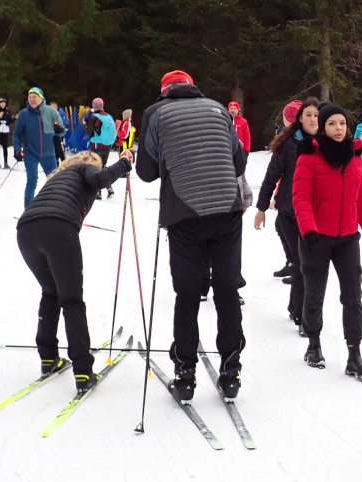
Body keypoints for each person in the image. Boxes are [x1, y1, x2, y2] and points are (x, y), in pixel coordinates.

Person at [136, 70, 247, 403]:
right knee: (226, 290)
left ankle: (185, 374)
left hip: (184, 212)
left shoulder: (155, 113)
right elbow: (238, 161)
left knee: (187, 295)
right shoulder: (217, 108)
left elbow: (145, 171)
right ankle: (231, 372)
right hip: (227, 207)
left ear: (165, 91)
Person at [16, 149, 133, 393]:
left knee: (51, 292)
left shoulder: (57, 177)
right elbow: (100, 179)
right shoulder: (84, 167)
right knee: (72, 301)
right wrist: (124, 162)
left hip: (26, 230)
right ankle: (83, 372)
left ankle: (48, 358)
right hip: (58, 227)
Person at [292, 102, 362, 377]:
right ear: (323, 127)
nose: (338, 128)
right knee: (314, 294)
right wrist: (308, 230)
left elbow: (361, 200)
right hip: (316, 238)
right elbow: (301, 198)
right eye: (332, 124)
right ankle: (314, 345)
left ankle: (354, 353)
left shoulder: (355, 158)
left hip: (347, 239)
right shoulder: (309, 157)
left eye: (342, 123)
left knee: (353, 297)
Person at [255, 97, 320, 334]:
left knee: (309, 264)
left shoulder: (324, 143)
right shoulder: (289, 143)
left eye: (316, 115)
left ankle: (297, 307)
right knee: (304, 262)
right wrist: (261, 208)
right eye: (309, 115)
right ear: (299, 119)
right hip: (290, 213)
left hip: (315, 214)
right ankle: (302, 314)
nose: (313, 119)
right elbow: (272, 175)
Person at [13, 87, 63, 206]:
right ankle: (28, 211)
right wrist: (16, 149)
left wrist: (59, 129)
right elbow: (17, 134)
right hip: (30, 153)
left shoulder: (51, 112)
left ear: (41, 98)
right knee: (32, 181)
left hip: (48, 153)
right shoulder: (24, 114)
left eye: (34, 97)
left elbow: (61, 128)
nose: (32, 100)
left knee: (54, 182)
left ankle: (55, 208)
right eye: (30, 97)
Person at [83, 98, 117, 199]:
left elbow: (88, 133)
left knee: (96, 169)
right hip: (106, 146)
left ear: (93, 106)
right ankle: (109, 188)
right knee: (102, 167)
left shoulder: (94, 117)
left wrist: (86, 125)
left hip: (96, 146)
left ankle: (98, 192)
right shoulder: (108, 116)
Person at [0, 98, 13, 169]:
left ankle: (6, 162)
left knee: (5, 147)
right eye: (1, 103)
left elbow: (9, 120)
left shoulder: (7, 111)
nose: (3, 104)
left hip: (5, 130)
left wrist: (14, 118)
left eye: (4, 103)